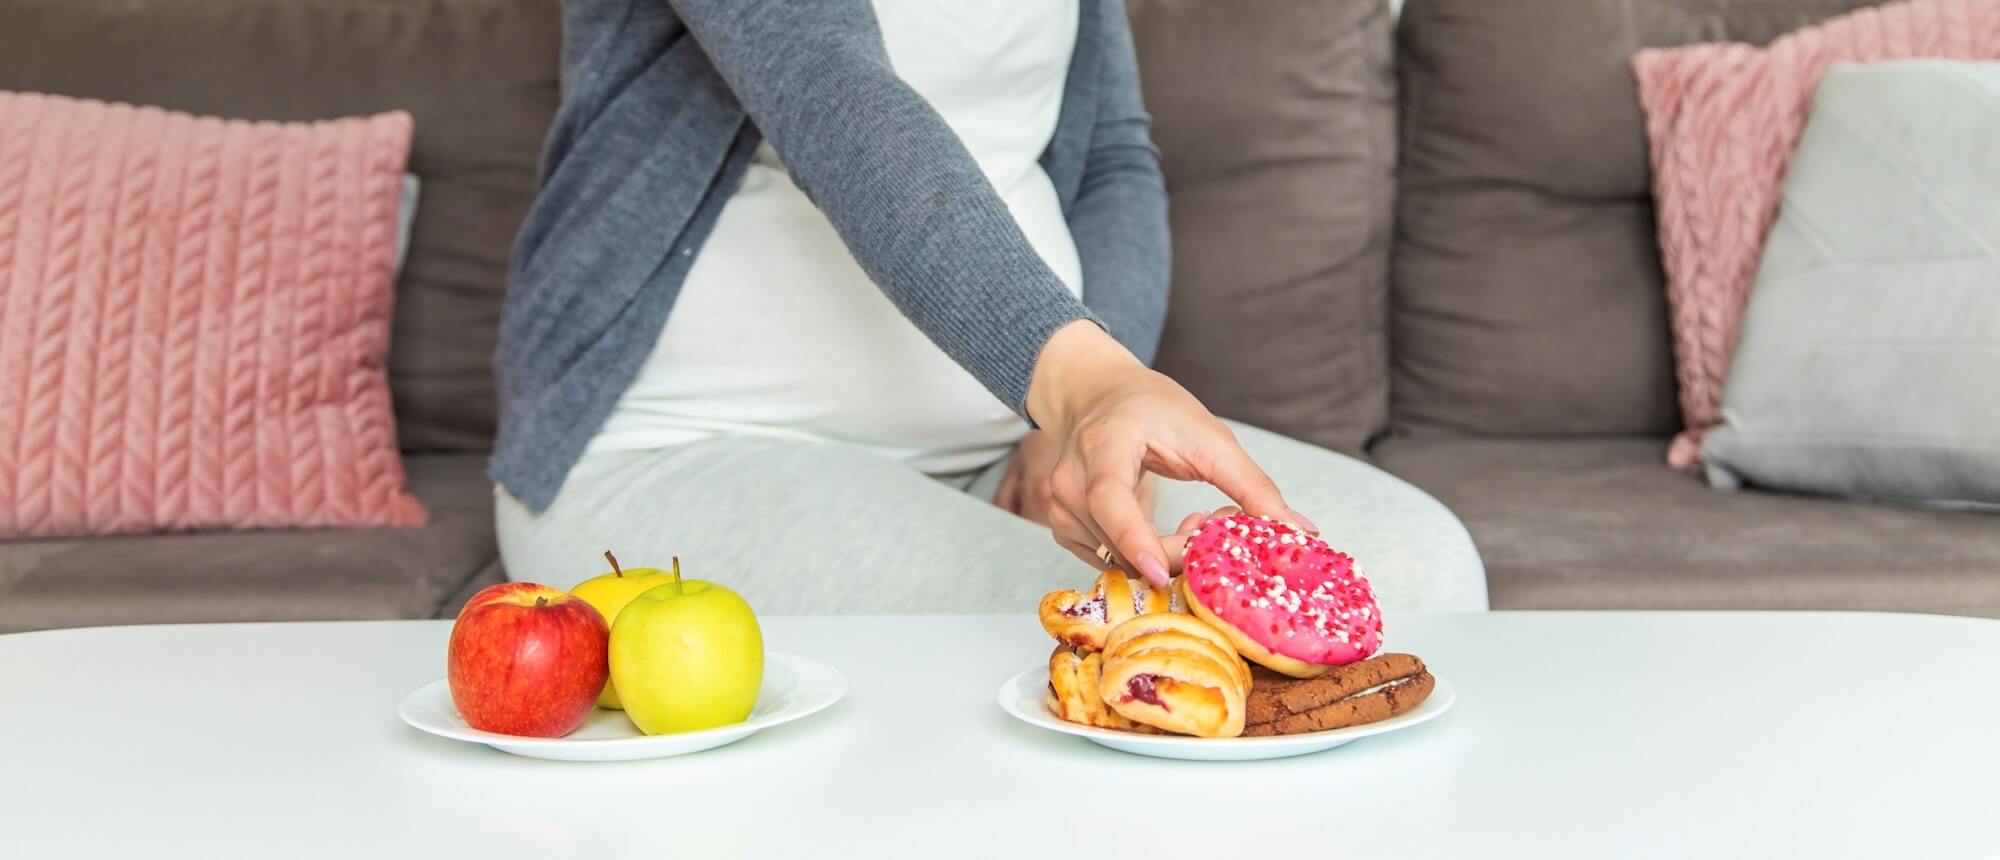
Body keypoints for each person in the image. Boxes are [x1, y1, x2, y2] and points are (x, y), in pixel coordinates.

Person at [491, 0, 1487, 614]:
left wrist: (1077, 425)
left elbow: (1109, 158)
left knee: (1421, 575)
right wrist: (1082, 382)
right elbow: (829, 87)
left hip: (1004, 449)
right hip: (680, 449)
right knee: (1098, 639)